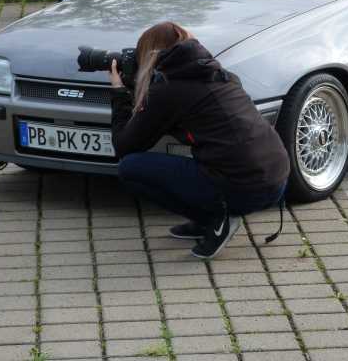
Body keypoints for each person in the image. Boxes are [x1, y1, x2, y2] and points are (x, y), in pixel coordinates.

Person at [109, 21, 290, 259]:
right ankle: (206, 220)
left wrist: (119, 93)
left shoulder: (169, 91)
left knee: (130, 168)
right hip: (277, 182)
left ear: (151, 56)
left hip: (244, 189)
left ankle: (216, 219)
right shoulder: (220, 74)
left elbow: (124, 146)